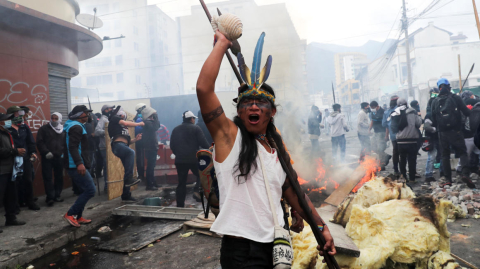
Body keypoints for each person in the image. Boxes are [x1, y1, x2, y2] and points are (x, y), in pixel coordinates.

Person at [196, 30, 336, 267]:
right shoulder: (230, 138)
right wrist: (221, 45)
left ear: (272, 112)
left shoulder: (275, 149)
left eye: (261, 102)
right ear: (239, 112)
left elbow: (295, 194)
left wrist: (321, 227)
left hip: (275, 247)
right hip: (242, 251)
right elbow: (203, 90)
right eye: (247, 103)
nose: (254, 106)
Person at [431, 78, 475, 188]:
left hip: (442, 133)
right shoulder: (455, 98)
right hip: (456, 131)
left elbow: (433, 119)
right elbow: (466, 112)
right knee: (462, 152)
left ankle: (448, 179)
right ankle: (465, 174)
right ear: (449, 86)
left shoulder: (435, 101)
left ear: (439, 88)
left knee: (444, 155)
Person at [63, 105, 96, 227]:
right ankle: (70, 214)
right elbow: (72, 147)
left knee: (84, 190)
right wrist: (79, 163)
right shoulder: (76, 127)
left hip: (77, 163)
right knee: (91, 190)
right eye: (86, 113)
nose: (88, 116)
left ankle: (78, 216)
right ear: (79, 115)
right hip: (75, 164)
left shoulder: (74, 125)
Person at [170, 111, 209, 206]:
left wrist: (179, 154)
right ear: (192, 119)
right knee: (202, 174)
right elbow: (204, 144)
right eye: (194, 118)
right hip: (193, 159)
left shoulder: (175, 129)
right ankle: (196, 190)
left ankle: (180, 205)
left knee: (181, 183)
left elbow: (172, 145)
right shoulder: (196, 128)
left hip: (180, 160)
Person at [6, 106, 39, 211]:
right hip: (11, 159)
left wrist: (33, 152)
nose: (20, 116)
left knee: (28, 181)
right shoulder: (6, 127)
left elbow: (30, 141)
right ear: (10, 115)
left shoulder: (24, 127)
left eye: (20, 113)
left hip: (25, 159)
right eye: (16, 114)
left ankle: (30, 202)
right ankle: (16, 205)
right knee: (14, 183)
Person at [108, 109, 143, 202]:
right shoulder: (114, 118)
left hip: (122, 146)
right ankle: (129, 179)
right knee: (131, 152)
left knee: (128, 170)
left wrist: (135, 139)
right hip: (117, 146)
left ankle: (126, 195)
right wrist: (139, 124)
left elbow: (127, 142)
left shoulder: (122, 128)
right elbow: (126, 123)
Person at [0, 112, 26, 231]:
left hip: (11, 169)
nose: (8, 122)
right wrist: (14, 151)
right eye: (6, 120)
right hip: (1, 170)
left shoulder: (7, 133)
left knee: (11, 195)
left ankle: (11, 218)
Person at [36, 112, 65, 206]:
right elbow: (40, 142)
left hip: (59, 157)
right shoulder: (44, 129)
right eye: (52, 118)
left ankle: (57, 195)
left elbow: (65, 142)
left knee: (59, 177)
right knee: (48, 177)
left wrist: (63, 152)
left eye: (56, 118)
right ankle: (50, 197)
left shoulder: (63, 130)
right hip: (47, 157)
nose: (54, 120)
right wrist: (45, 152)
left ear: (60, 119)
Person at [390, 98, 422, 182]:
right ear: (406, 103)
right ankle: (412, 178)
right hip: (412, 140)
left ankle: (404, 177)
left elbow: (393, 128)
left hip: (400, 141)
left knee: (402, 159)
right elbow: (418, 124)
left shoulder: (395, 113)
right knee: (412, 159)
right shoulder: (413, 111)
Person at [139, 105, 161, 191]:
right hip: (150, 147)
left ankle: (153, 182)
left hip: (151, 147)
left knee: (152, 166)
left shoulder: (148, 122)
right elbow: (156, 127)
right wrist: (156, 118)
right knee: (150, 167)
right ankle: (149, 184)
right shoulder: (147, 123)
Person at [95, 104, 114, 193]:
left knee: (110, 167)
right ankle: (107, 186)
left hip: (109, 146)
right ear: (106, 110)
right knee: (107, 167)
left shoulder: (108, 119)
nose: (112, 110)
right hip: (104, 147)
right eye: (110, 108)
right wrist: (107, 131)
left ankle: (109, 185)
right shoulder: (103, 119)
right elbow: (97, 131)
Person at [424, 88, 442, 183]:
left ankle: (440, 173)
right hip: (432, 138)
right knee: (431, 157)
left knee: (440, 155)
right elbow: (427, 126)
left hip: (437, 137)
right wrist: (435, 130)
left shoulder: (436, 113)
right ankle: (428, 175)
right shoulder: (429, 115)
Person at [369, 101, 390, 169]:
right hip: (376, 132)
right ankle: (386, 156)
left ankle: (382, 164)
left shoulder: (383, 112)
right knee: (372, 147)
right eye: (371, 108)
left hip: (382, 133)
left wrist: (386, 135)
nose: (372, 109)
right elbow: (372, 120)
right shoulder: (373, 112)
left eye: (373, 107)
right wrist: (369, 129)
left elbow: (387, 125)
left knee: (380, 148)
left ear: (377, 106)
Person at [383, 95, 400, 176]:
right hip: (402, 134)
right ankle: (403, 170)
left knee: (395, 151)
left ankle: (396, 169)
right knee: (403, 153)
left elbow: (385, 125)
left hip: (393, 135)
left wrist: (386, 136)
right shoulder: (400, 109)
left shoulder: (387, 112)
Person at [134, 106, 145, 181]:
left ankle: (141, 174)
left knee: (140, 158)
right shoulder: (139, 119)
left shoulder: (137, 118)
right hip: (141, 143)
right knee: (141, 159)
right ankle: (141, 175)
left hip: (139, 142)